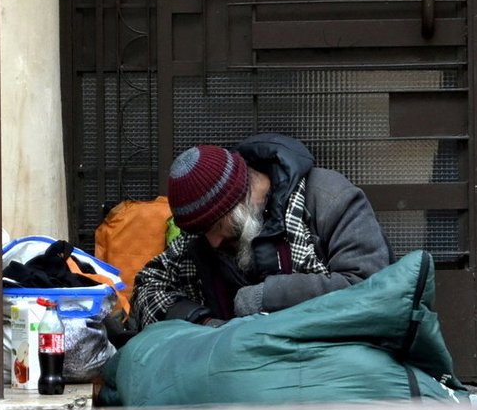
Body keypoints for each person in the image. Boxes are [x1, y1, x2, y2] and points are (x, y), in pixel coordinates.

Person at [130, 133, 392, 328]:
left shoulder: (329, 198)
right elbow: (148, 287)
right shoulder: (204, 235)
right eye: (203, 233)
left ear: (238, 202)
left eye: (216, 227)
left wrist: (267, 296)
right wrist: (203, 321)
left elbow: (371, 290)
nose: (214, 241)